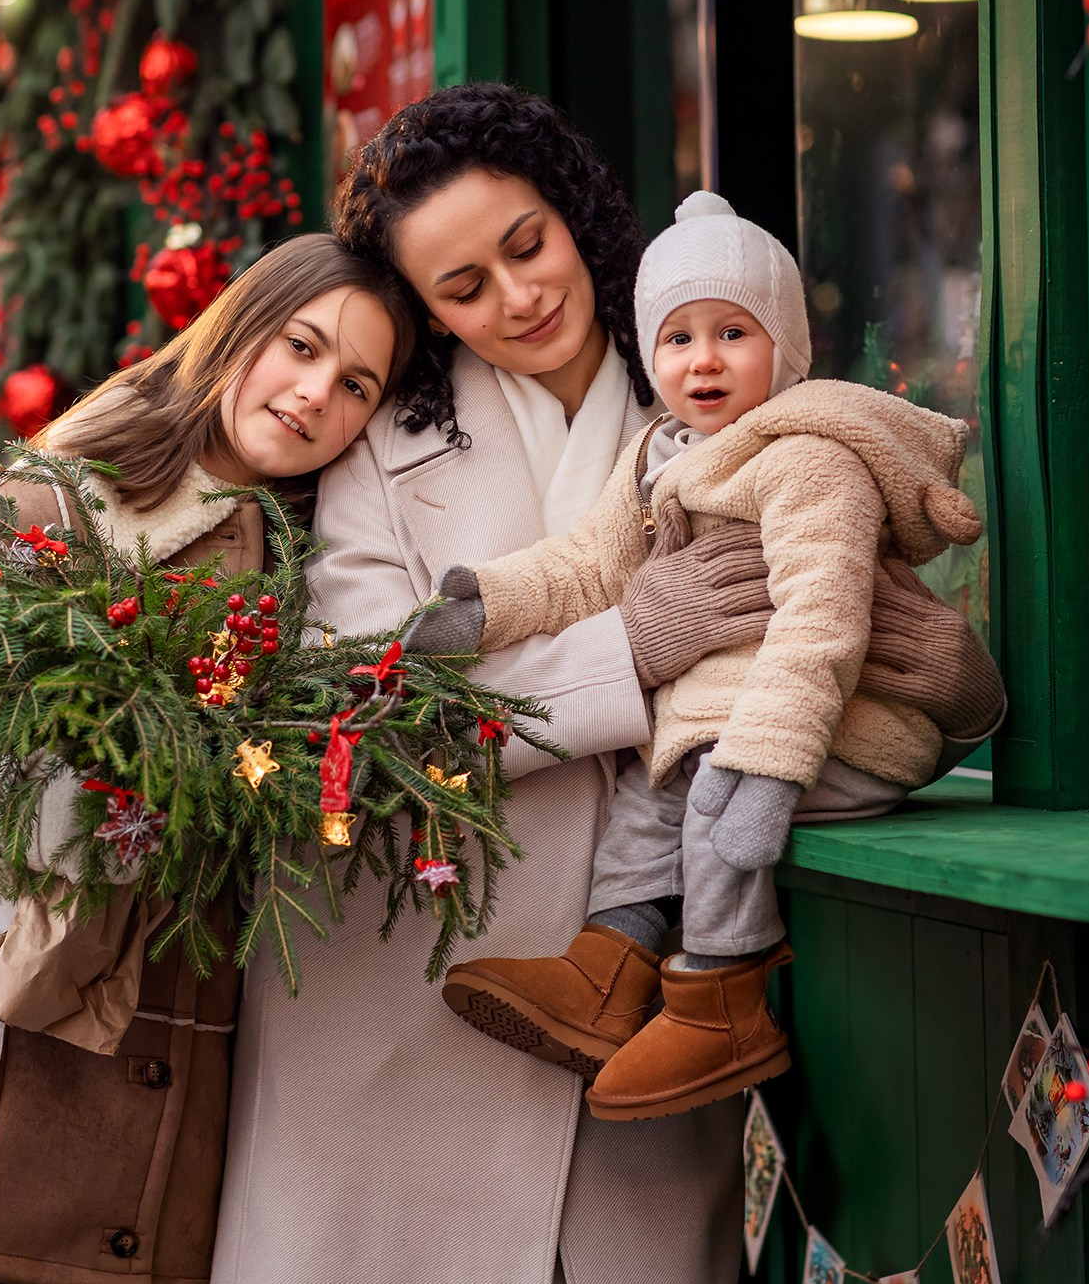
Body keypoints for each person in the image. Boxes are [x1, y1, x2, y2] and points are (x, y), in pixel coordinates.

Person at [211, 84, 994, 1284]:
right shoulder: (372, 440)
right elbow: (358, 721)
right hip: (404, 1010)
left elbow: (838, 603)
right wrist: (628, 650)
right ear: (421, 313)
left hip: (641, 1030)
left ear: (572, 213)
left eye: (525, 246)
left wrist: (942, 672)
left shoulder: (721, 379)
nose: (518, 297)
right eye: (462, 288)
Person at [0, 234, 415, 1284]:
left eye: (355, 384)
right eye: (299, 346)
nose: (313, 395)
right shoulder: (40, 510)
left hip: (142, 1099)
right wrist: (15, 819)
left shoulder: (301, 580)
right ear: (237, 330)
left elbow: (264, 789)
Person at [403, 191, 1006, 1120]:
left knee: (710, 797)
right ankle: (607, 970)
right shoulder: (659, 457)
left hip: (843, 728)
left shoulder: (808, 457)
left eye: (734, 332)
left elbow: (823, 621)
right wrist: (486, 608)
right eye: (678, 339)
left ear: (786, 348)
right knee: (650, 791)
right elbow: (586, 566)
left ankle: (722, 993)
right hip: (731, 717)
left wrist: (769, 763)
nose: (705, 360)